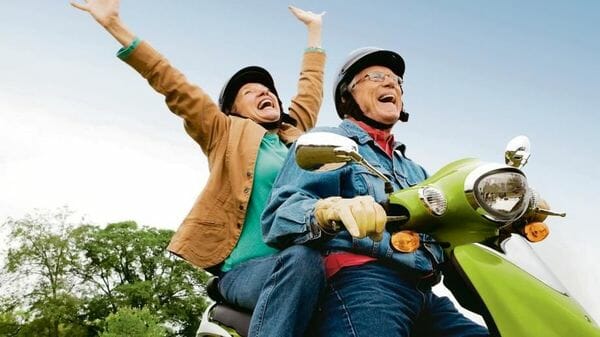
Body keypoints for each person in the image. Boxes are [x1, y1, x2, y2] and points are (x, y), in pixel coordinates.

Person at [71, 1, 326, 336]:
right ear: (233, 109)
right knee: (303, 260)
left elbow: (310, 90)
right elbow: (172, 83)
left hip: (306, 260)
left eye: (267, 89)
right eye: (249, 92)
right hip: (248, 269)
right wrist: (115, 26)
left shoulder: (297, 137)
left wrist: (314, 31)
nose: (264, 91)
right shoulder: (223, 131)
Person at [262, 47, 490, 337]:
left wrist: (502, 220)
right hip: (362, 281)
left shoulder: (415, 171)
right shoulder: (331, 142)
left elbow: (448, 232)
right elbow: (279, 216)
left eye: (397, 80)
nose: (391, 83)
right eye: (376, 76)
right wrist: (327, 210)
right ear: (348, 95)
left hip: (425, 294)